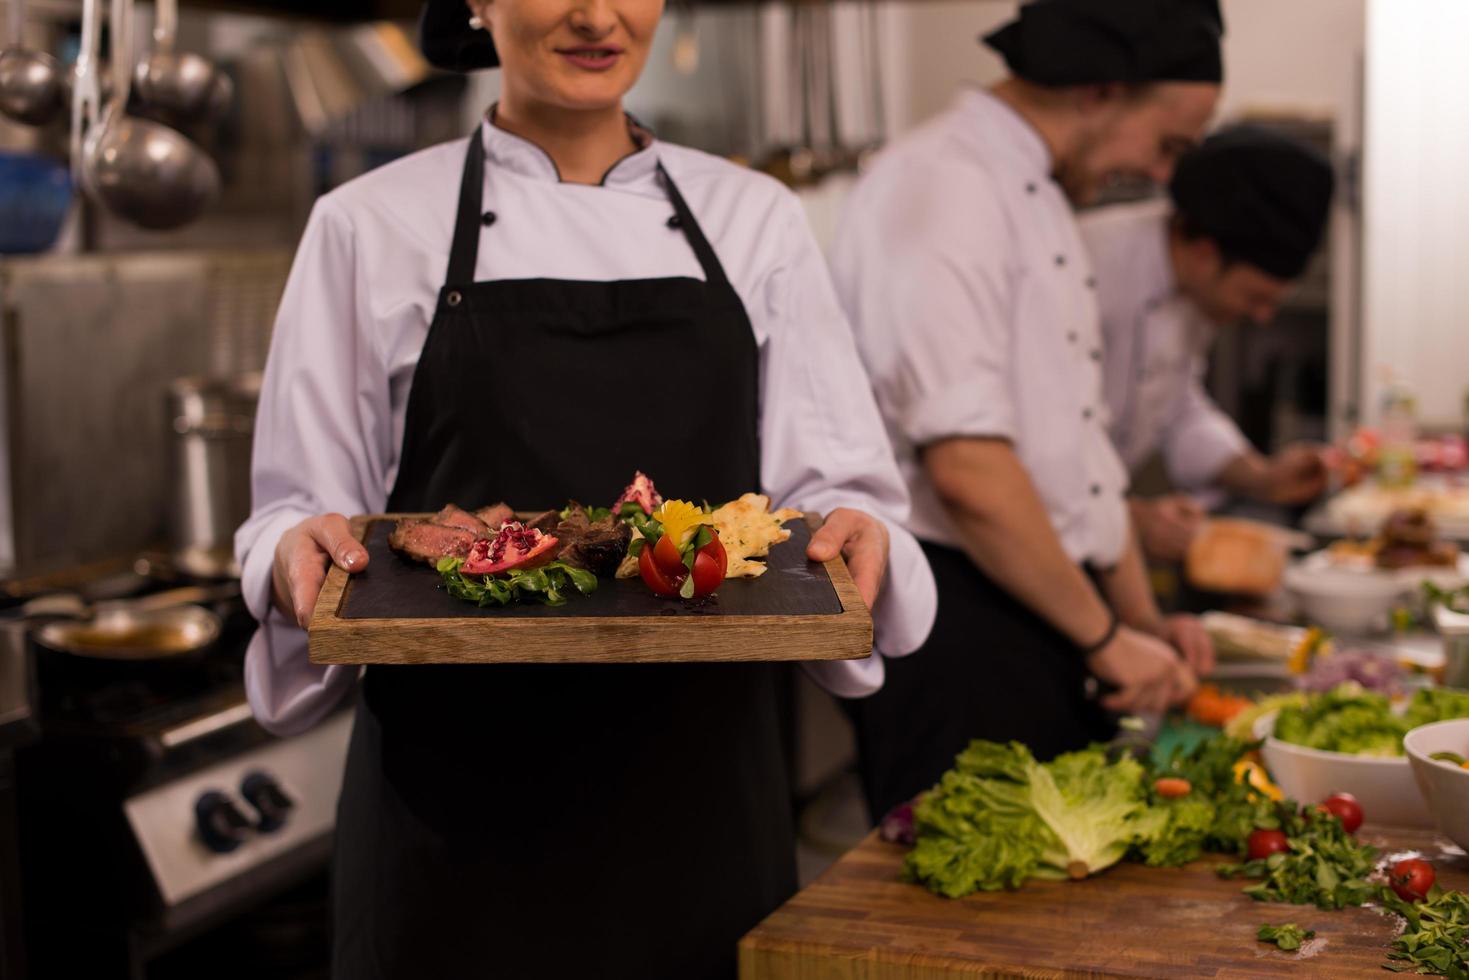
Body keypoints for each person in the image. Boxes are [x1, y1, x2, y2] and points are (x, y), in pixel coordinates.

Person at [233, 0, 937, 975]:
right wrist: (286, 554)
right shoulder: (367, 224)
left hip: (698, 799)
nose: (596, 15)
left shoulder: (753, 217)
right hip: (453, 813)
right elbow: (293, 507)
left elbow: (839, 489)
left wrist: (861, 536)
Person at [828, 0, 1223, 823]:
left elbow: (1075, 451)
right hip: (954, 618)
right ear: (1099, 91)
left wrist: (1140, 618)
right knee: (960, 932)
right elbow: (968, 472)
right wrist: (1106, 638)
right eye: (1168, 146)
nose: (1160, 176)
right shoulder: (944, 184)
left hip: (1039, 600)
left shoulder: (1033, 185)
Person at [1081, 125, 1336, 563]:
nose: (1262, 316)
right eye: (1255, 297)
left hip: (1092, 537)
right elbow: (1036, 444)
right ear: (1205, 251)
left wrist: (1262, 476)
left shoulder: (1192, 293)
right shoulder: (1088, 265)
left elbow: (1178, 406)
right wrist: (1133, 519)